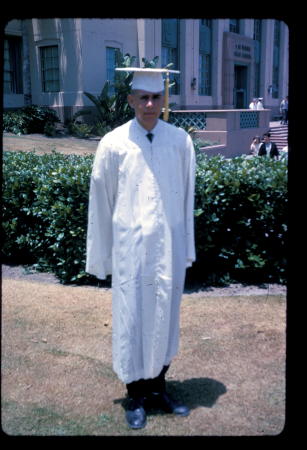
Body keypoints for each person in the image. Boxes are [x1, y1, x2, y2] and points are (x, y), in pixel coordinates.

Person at [86, 67, 196, 429]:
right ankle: (135, 395)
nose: (150, 104)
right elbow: (101, 203)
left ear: (164, 100)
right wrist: (102, 256)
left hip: (167, 250)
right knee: (133, 319)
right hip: (131, 252)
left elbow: (186, 198)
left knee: (165, 316)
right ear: (131, 100)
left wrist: (185, 248)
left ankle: (158, 388)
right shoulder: (113, 143)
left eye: (156, 97)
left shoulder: (180, 141)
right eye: (143, 98)